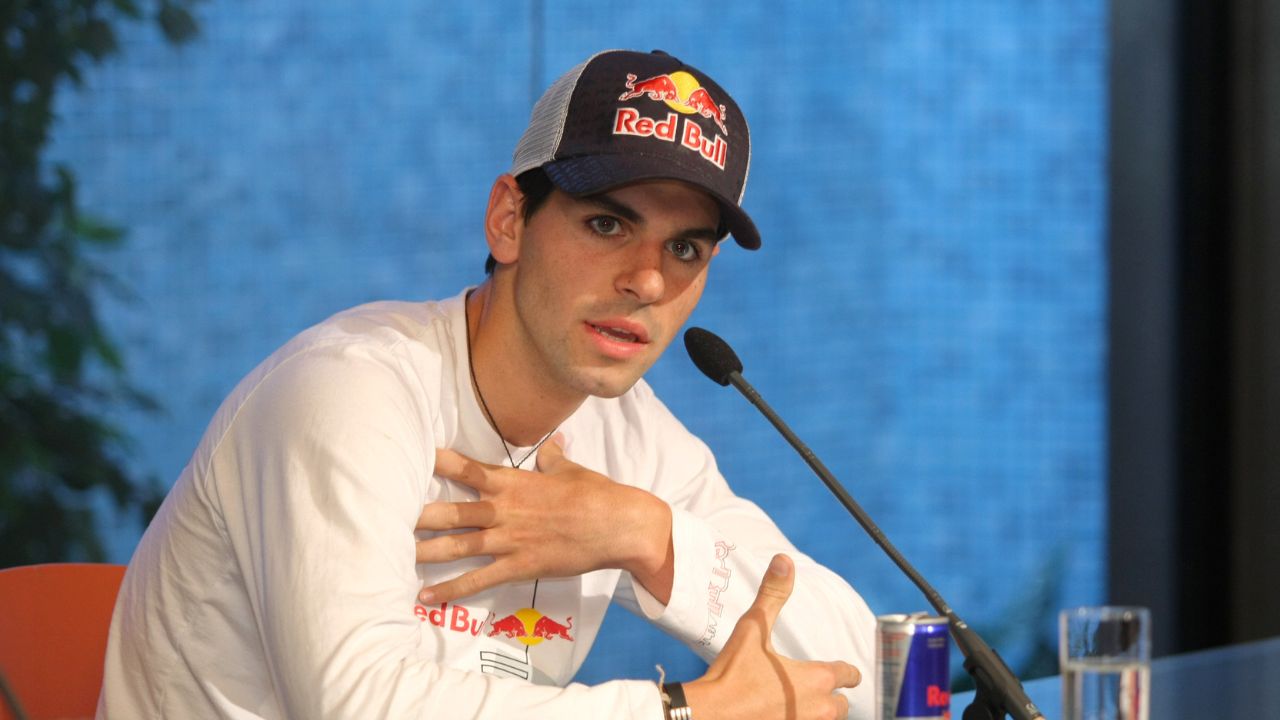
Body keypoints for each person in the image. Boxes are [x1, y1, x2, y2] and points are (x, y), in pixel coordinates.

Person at [98, 49, 878, 719]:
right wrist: (678, 711)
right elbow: (363, 704)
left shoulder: (636, 443)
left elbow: (863, 675)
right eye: (607, 225)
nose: (646, 279)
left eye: (686, 250)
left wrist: (647, 537)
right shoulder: (347, 391)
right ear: (508, 219)